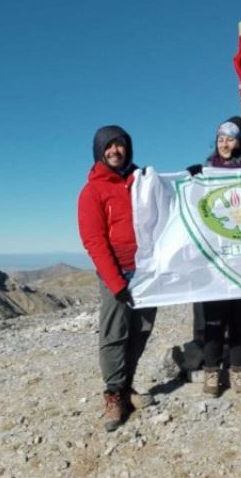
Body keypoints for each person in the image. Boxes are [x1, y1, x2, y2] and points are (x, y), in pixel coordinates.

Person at [77, 125, 158, 432]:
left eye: (120, 145)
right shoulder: (92, 191)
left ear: (128, 148)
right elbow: (94, 241)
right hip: (118, 272)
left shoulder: (143, 182)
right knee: (114, 334)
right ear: (99, 152)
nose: (114, 151)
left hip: (148, 270)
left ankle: (126, 388)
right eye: (108, 146)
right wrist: (116, 282)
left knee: (141, 330)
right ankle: (113, 395)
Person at [186, 116, 241, 397]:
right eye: (220, 138)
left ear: (240, 141)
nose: (224, 143)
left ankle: (238, 373)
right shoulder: (208, 170)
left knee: (240, 319)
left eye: (230, 138)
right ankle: (211, 373)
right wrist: (193, 179)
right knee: (213, 319)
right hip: (215, 259)